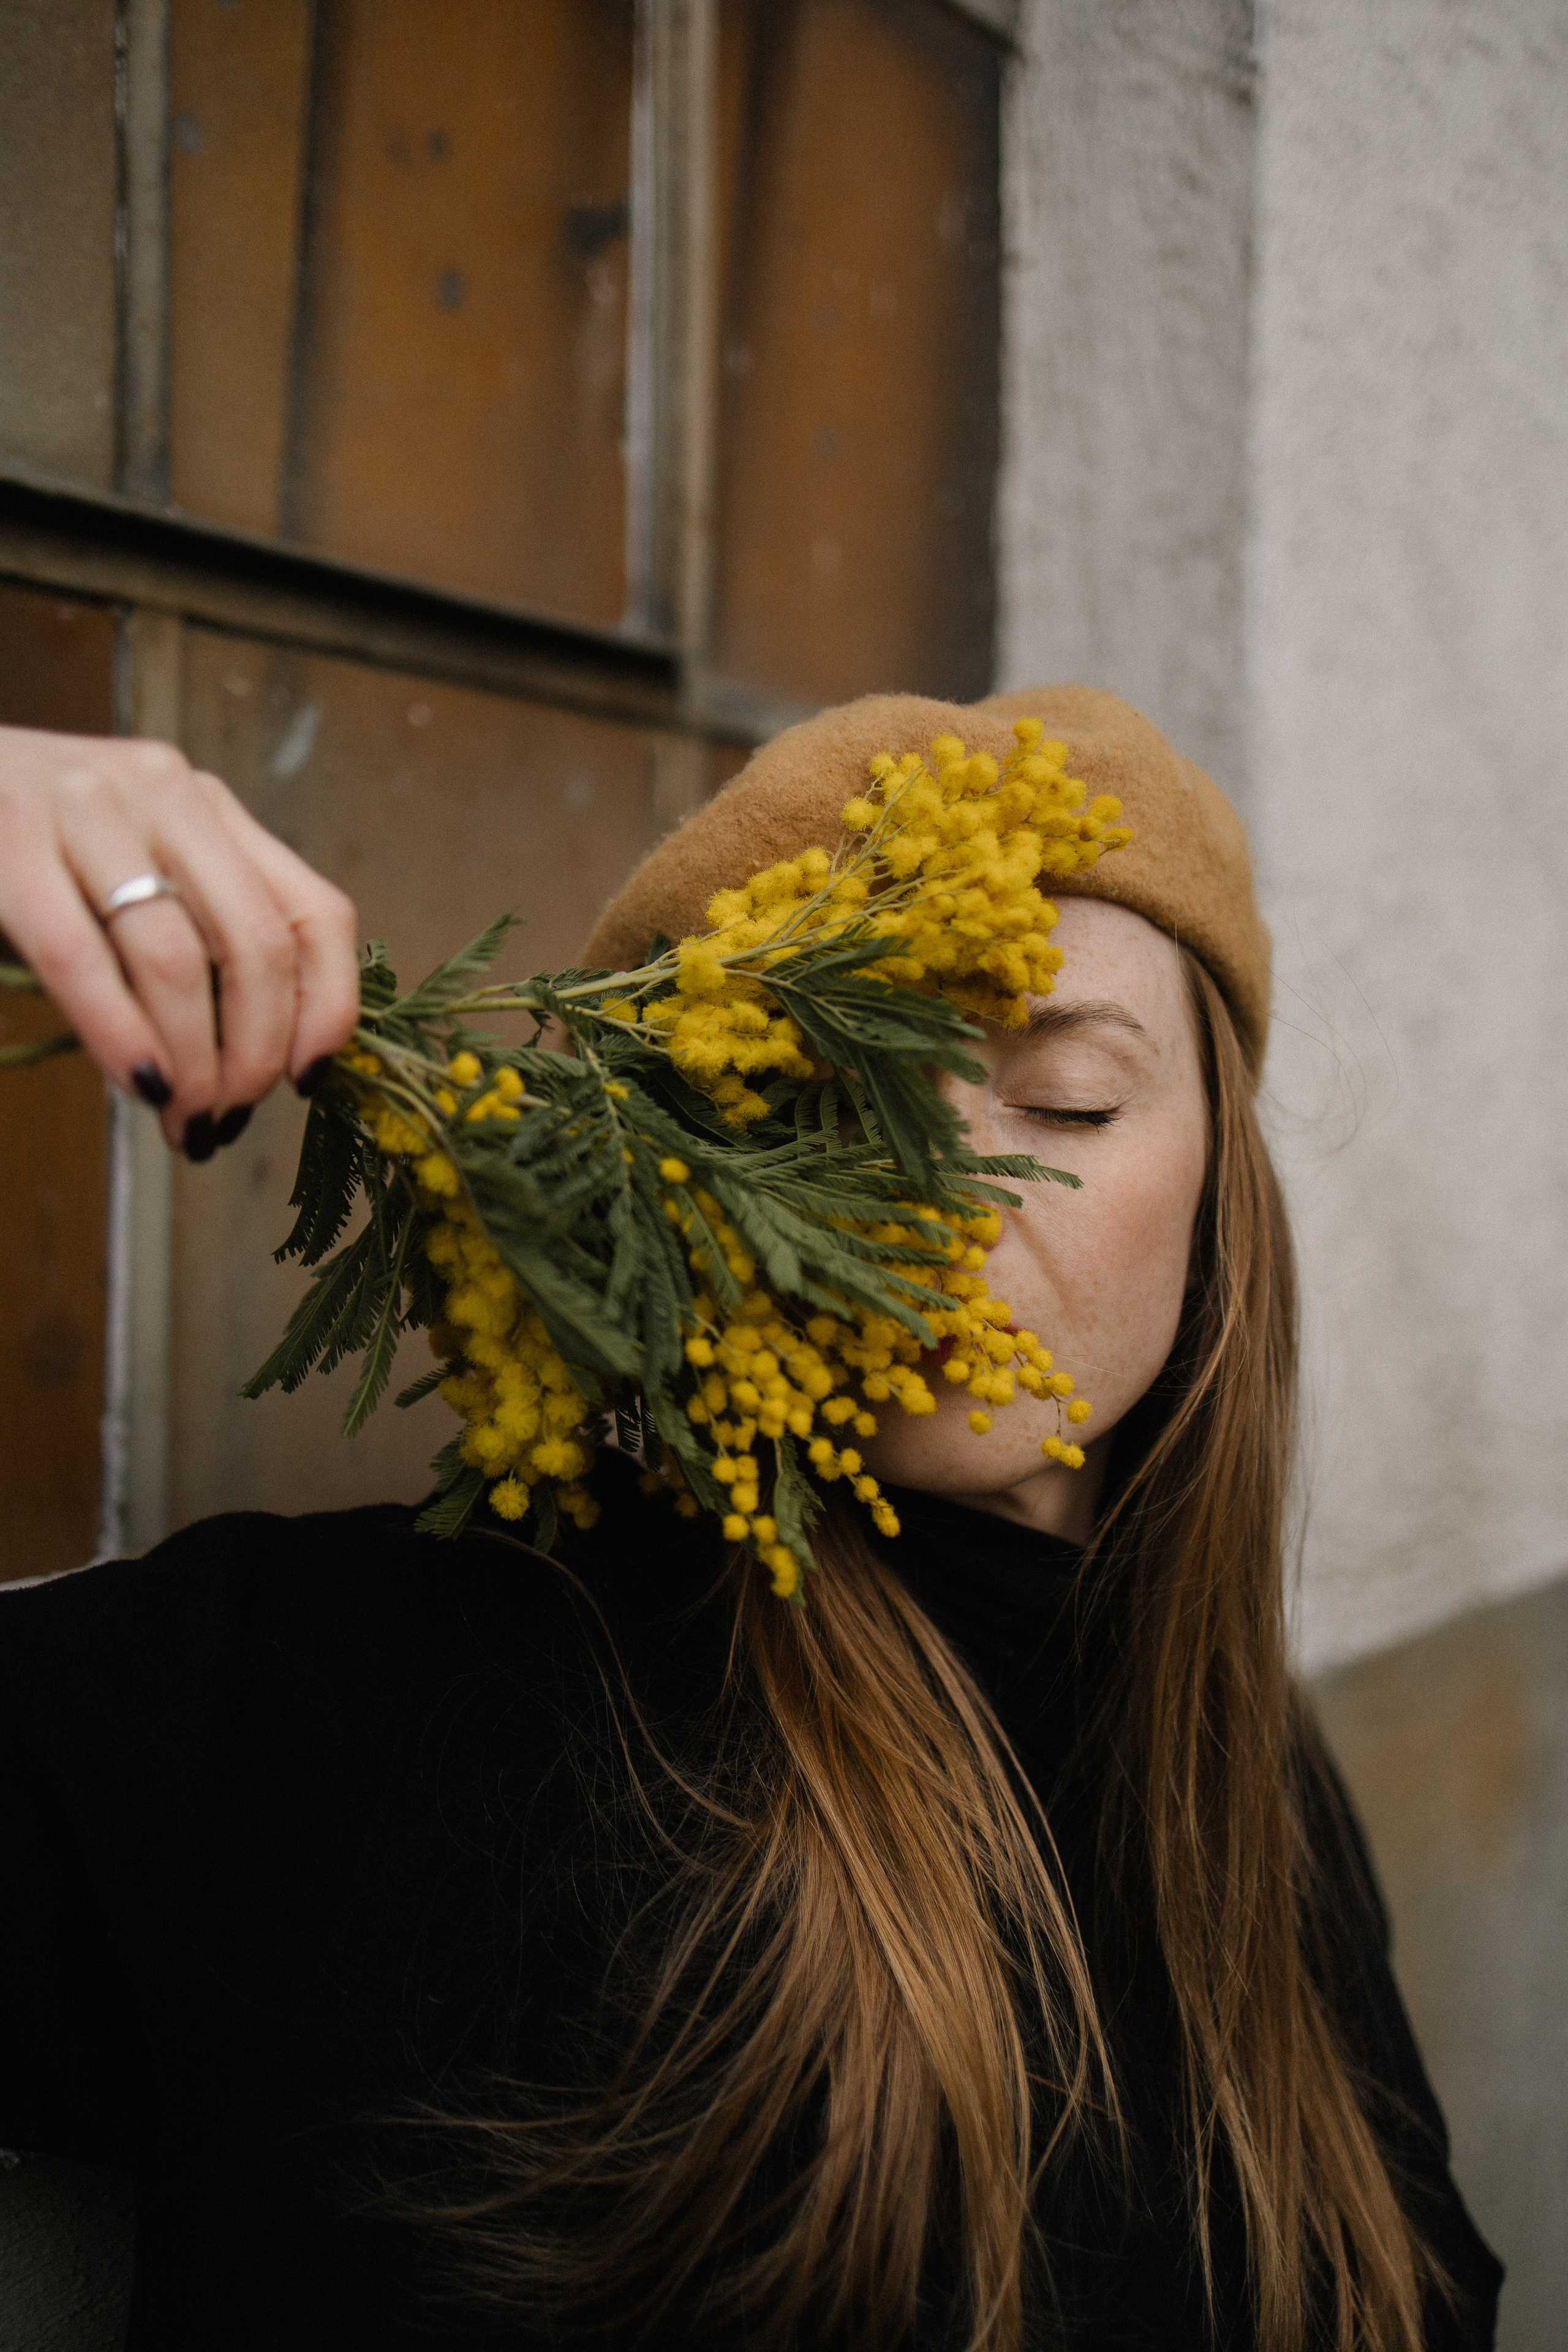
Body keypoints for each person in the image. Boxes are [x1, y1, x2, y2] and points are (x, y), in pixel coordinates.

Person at [0, 689, 1502, 2351]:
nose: (942, 1204)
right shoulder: (327, 1693)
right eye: (822, 1100)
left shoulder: (1247, 1779)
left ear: (1224, 1184)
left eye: (1067, 1100)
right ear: (664, 1185)